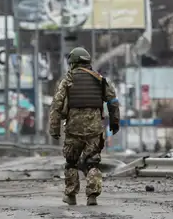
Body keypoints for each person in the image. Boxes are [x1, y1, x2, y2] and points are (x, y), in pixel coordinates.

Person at [49, 47, 120, 206]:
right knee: (92, 162)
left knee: (71, 162)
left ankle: (71, 195)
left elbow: (56, 105)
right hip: (94, 129)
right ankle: (92, 196)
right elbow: (113, 102)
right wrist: (115, 123)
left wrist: (54, 128)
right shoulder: (100, 79)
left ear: (72, 63)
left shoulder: (68, 80)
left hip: (73, 129)